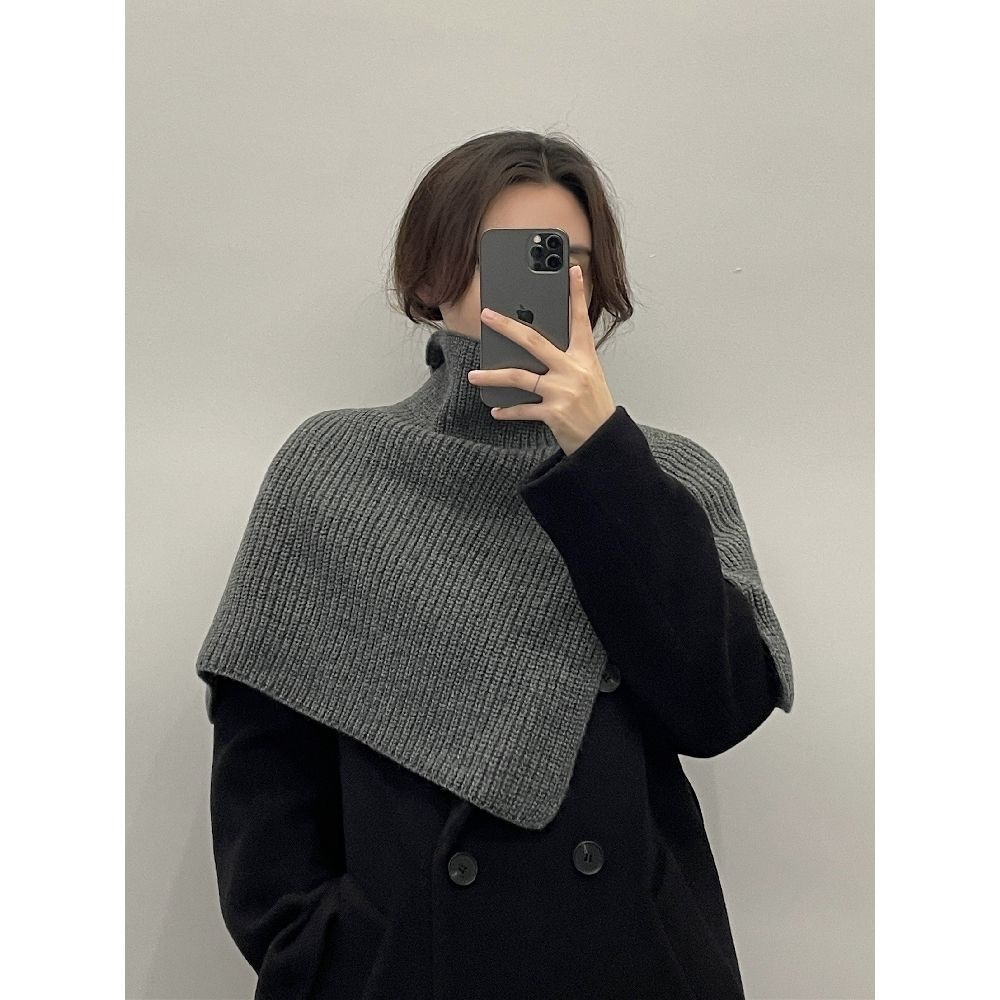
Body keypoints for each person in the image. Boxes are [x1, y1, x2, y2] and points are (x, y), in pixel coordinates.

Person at [197, 129, 794, 1000]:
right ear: (430, 276)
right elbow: (263, 761)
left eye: (565, 262)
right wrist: (331, 955)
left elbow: (720, 709)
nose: (538, 288)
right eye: (503, 257)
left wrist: (602, 455)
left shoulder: (664, 476)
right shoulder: (335, 467)